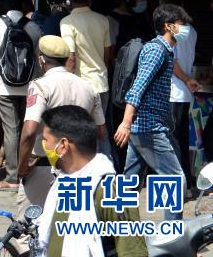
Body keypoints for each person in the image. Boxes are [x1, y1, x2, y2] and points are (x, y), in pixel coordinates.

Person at [36, 105, 147, 257]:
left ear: (63, 146)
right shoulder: (62, 184)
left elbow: (133, 252)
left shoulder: (111, 192)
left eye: (45, 140)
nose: (43, 145)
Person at [113, 4, 189, 220]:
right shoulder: (156, 51)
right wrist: (126, 123)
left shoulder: (164, 51)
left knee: (130, 183)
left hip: (145, 126)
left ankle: (115, 228)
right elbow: (138, 87)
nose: (185, 29)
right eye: (182, 24)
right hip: (148, 128)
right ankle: (172, 234)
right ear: (168, 26)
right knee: (175, 181)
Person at [17, 35, 106, 206]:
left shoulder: (40, 86)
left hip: (44, 167)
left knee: (30, 221)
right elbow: (101, 132)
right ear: (67, 59)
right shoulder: (89, 88)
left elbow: (29, 132)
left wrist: (21, 168)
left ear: (41, 59)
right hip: (79, 168)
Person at [0, 0, 44, 190]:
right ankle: (27, 171)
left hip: (5, 87)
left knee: (11, 130)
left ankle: (12, 177)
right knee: (29, 129)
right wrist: (36, 84)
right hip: (29, 87)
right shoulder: (34, 27)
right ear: (25, 5)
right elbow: (38, 60)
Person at [160, 0, 200, 182]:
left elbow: (173, 62)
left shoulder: (173, 31)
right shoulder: (191, 30)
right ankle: (187, 182)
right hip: (183, 94)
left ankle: (179, 183)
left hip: (174, 91)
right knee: (181, 139)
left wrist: (186, 79)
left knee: (172, 141)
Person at [60, 0, 113, 110]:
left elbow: (71, 57)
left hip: (80, 87)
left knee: (79, 122)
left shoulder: (67, 22)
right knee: (100, 122)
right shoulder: (103, 20)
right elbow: (107, 55)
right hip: (101, 84)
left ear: (70, 0)